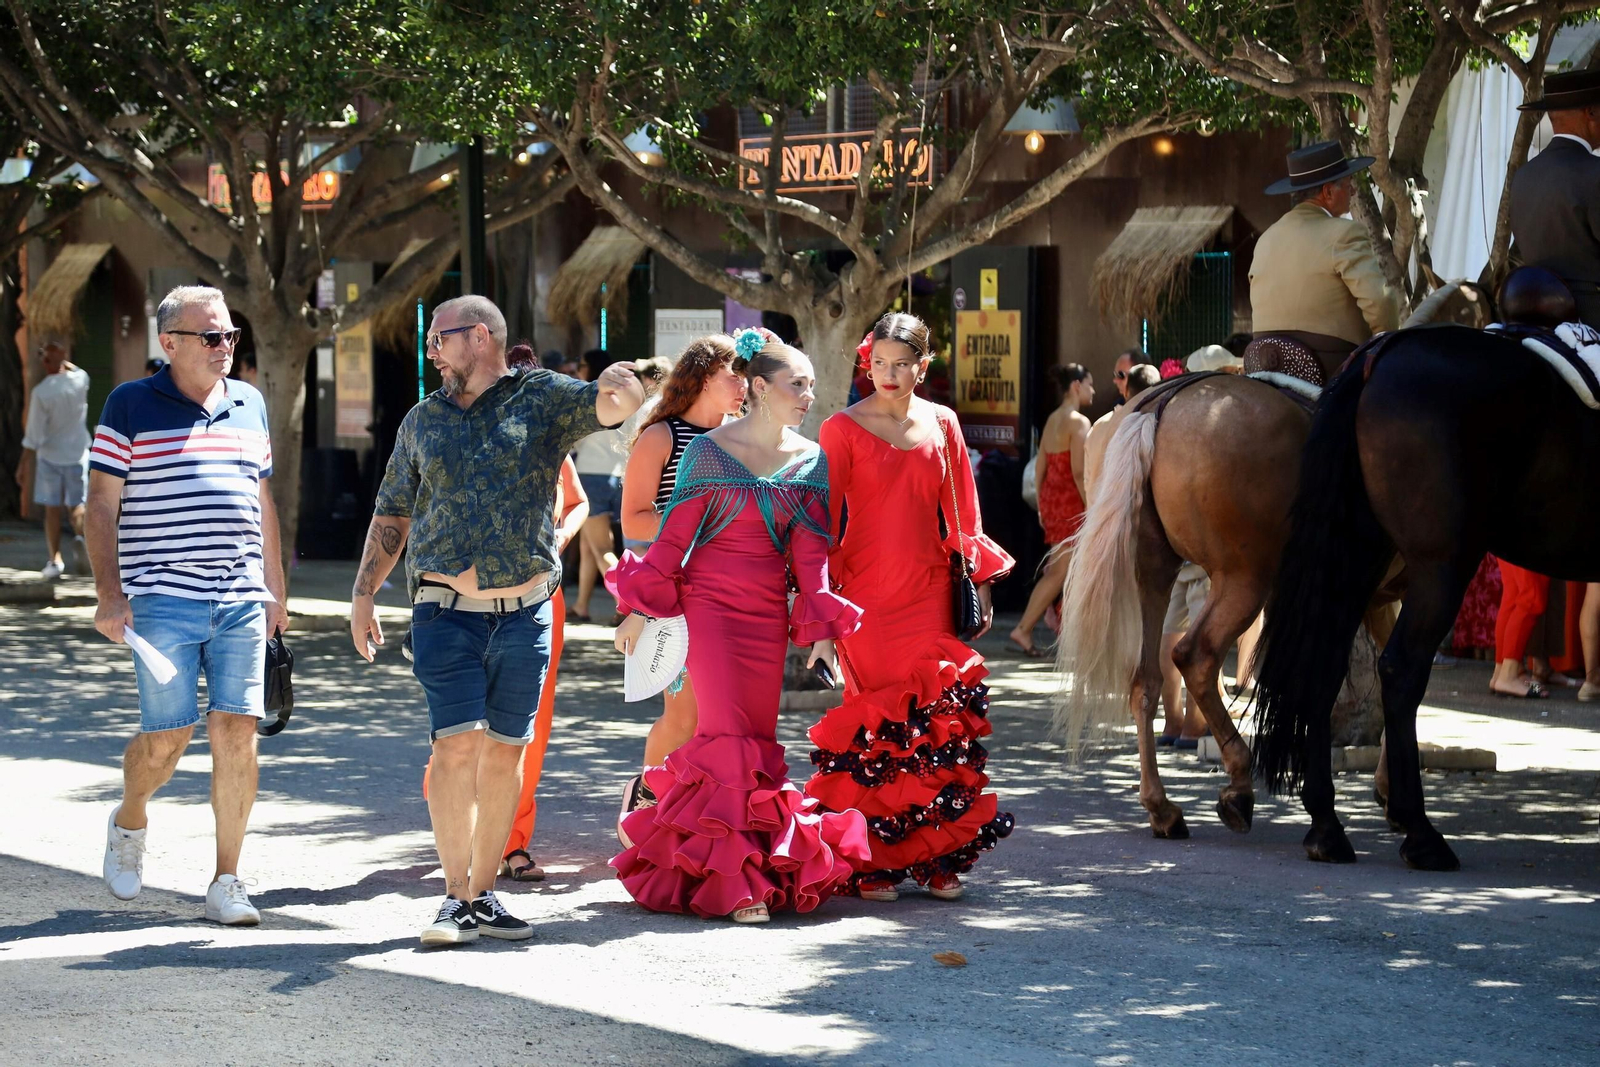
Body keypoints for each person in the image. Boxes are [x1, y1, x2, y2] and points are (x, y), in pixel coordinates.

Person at [350, 295, 643, 947]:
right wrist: (363, 593)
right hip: (443, 611)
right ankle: (455, 896)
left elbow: (605, 404)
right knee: (454, 746)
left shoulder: (539, 398)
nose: (431, 352)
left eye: (438, 339)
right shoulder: (422, 420)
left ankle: (481, 894)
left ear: (478, 337)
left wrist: (623, 389)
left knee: (508, 752)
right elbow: (393, 510)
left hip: (524, 615)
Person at [610, 329, 868, 923]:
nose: (808, 394)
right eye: (795, 383)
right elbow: (674, 539)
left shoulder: (810, 459)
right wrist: (641, 607)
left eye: (811, 384)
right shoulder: (708, 451)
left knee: (754, 738)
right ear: (758, 387)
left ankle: (730, 866)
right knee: (725, 734)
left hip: (766, 615)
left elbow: (811, 556)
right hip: (711, 608)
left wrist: (823, 628)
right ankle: (739, 886)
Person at [86, 285, 287, 925]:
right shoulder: (130, 404)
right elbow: (101, 506)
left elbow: (262, 504)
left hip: (239, 598)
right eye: (210, 337)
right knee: (166, 740)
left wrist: (275, 587)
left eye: (230, 335)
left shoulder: (249, 403)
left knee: (237, 730)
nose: (224, 347)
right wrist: (110, 595)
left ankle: (228, 880)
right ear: (168, 343)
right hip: (161, 599)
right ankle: (130, 817)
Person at [807, 311, 1015, 903]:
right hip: (864, 600)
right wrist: (822, 622)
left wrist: (982, 586)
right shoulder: (841, 429)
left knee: (936, 726)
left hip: (929, 593)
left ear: (923, 367)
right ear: (866, 362)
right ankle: (872, 863)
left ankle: (938, 859)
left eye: (901, 365)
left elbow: (965, 518)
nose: (888, 375)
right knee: (878, 730)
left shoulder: (945, 422)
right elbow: (821, 525)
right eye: (878, 364)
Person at [614, 334, 750, 838]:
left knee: (721, 715)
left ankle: (698, 813)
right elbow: (633, 518)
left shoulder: (743, 437)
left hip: (737, 592)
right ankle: (646, 795)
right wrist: (696, 521)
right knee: (684, 712)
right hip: (673, 592)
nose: (743, 385)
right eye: (734, 374)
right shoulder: (662, 437)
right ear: (703, 377)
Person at [1248, 141, 1401, 384]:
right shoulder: (1344, 233)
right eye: (1348, 185)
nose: (1352, 192)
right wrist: (1386, 346)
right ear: (1328, 192)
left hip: (1260, 361)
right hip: (1328, 365)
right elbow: (1380, 300)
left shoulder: (1266, 237)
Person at [1009, 364, 1093, 657]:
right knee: (1060, 573)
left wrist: (1044, 507)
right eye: (1090, 384)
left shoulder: (1053, 420)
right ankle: (1025, 628)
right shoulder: (1079, 423)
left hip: (1054, 503)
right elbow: (1080, 471)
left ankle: (1036, 628)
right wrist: (1092, 508)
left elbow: (1041, 465)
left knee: (1062, 572)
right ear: (1076, 386)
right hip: (1072, 505)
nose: (1093, 391)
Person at [1509, 68, 1600, 328]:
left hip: (1530, 312)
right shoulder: (1595, 174)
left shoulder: (1524, 176)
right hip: (1589, 316)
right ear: (1591, 113)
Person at [14, 341, 91, 578]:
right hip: (78, 453)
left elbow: (34, 435)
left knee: (52, 509)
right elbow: (74, 369)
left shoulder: (42, 393)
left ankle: (55, 560)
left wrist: (22, 465)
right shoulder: (80, 380)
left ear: (45, 363)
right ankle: (84, 542)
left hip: (51, 456)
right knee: (77, 505)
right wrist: (60, 357)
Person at [1084, 363, 1160, 501]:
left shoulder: (1098, 426)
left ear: (1126, 391)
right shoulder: (1160, 431)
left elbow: (1087, 480)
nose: (1115, 380)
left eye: (1120, 375)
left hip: (1095, 515)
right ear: (1158, 390)